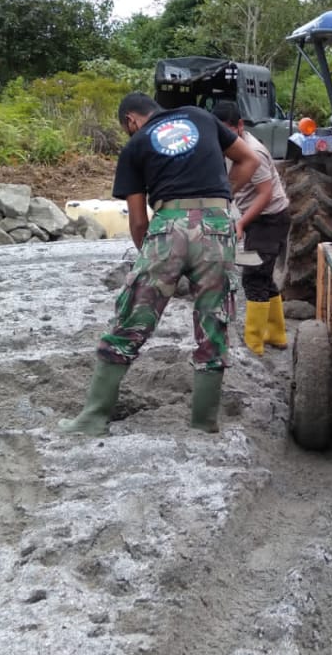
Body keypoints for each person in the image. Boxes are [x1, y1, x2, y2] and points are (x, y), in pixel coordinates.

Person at [59, 91, 260, 437]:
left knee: (131, 319)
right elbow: (249, 161)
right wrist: (219, 198)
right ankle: (203, 422)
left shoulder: (136, 145)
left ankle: (92, 419)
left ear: (131, 121)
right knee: (214, 324)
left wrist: (150, 257)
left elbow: (138, 221)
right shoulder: (201, 116)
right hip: (216, 226)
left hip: (168, 227)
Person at [211, 100, 291, 355]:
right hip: (261, 219)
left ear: (240, 126)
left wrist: (241, 223)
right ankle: (276, 334)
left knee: (254, 277)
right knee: (264, 275)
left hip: (269, 219)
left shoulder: (252, 152)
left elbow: (265, 194)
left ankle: (253, 343)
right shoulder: (231, 146)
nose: (223, 138)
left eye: (227, 131)